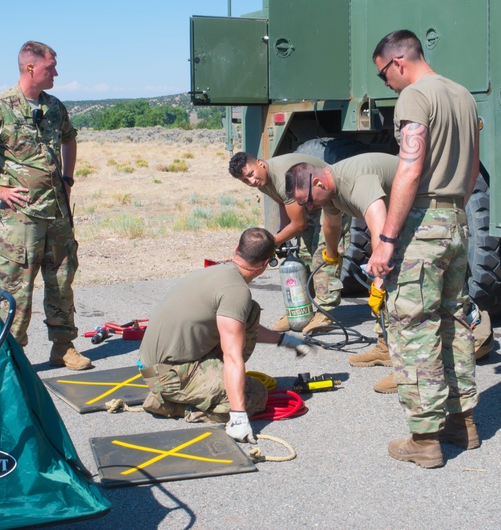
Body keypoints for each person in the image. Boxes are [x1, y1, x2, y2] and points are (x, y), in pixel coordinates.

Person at [365, 29, 481, 469]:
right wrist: (454, 213)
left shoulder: (415, 96)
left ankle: (425, 438)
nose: (387, 84)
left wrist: (389, 239)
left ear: (398, 62)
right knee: (454, 320)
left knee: (413, 326)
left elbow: (409, 171)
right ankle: (462, 423)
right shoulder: (464, 96)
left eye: (383, 76)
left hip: (422, 224)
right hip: (456, 220)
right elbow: (471, 169)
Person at [0, 40, 91, 371]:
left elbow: (70, 138)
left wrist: (67, 180)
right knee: (18, 289)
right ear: (30, 68)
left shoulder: (54, 107)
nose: (55, 73)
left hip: (57, 213)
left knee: (61, 283)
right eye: (50, 67)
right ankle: (11, 356)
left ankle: (63, 346)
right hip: (21, 218)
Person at [138, 227, 311, 443]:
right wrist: (239, 417)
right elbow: (232, 355)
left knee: (250, 312)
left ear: (236, 249)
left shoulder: (217, 273)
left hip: (163, 365)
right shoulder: (236, 292)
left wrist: (285, 340)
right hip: (168, 376)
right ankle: (175, 405)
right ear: (266, 264)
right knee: (255, 395)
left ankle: (198, 389)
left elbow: (241, 328)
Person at [284, 154, 398, 389]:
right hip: (397, 218)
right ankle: (385, 347)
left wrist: (379, 282)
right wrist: (332, 254)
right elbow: (332, 224)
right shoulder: (328, 191)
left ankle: (409, 369)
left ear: (318, 184)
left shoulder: (356, 182)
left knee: (402, 291)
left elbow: (380, 232)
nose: (308, 208)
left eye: (306, 201)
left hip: (421, 214)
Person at [228, 152, 342, 333]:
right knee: (303, 256)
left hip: (332, 199)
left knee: (322, 256)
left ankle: (324, 313)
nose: (251, 182)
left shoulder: (281, 178)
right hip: (310, 202)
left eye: (250, 174)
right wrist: (282, 234)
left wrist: (270, 243)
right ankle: (302, 310)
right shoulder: (264, 183)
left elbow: (298, 224)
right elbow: (283, 204)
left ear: (260, 163)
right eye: (245, 181)